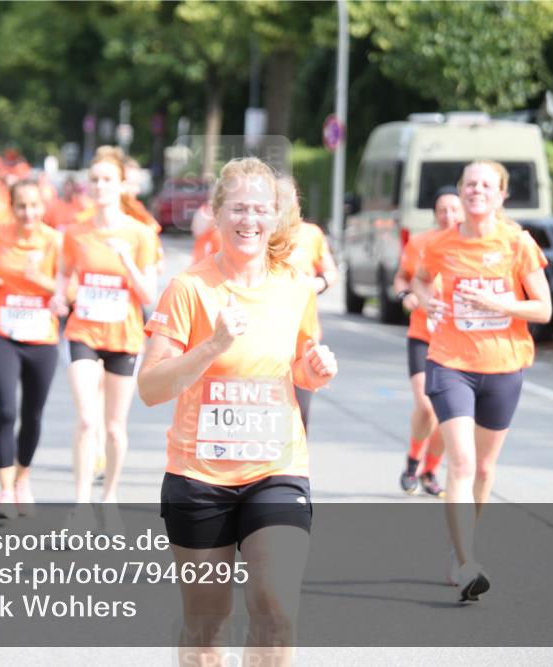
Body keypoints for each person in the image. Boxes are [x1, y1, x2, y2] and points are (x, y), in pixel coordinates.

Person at [138, 158, 337, 665]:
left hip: (277, 470)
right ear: (216, 212)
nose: (250, 220)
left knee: (275, 610)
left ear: (276, 217)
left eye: (261, 210)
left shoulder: (295, 287)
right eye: (240, 208)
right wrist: (212, 345)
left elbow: (302, 369)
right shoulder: (190, 288)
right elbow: (150, 388)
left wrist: (317, 368)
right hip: (199, 477)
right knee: (207, 629)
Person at [411, 161, 550, 601]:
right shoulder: (438, 243)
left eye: (486, 184)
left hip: (504, 365)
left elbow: (543, 309)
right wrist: (427, 302)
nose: (476, 190)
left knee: (486, 469)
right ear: (460, 191)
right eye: (469, 183)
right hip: (450, 362)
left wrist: (499, 301)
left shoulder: (517, 244)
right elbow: (417, 283)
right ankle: (469, 563)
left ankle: (460, 544)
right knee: (463, 463)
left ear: (501, 195)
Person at [49, 147, 159, 510]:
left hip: (124, 337)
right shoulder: (76, 233)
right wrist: (59, 296)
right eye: (94, 180)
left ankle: (109, 495)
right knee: (86, 420)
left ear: (122, 185)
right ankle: (80, 504)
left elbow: (148, 295)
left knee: (113, 427)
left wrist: (125, 258)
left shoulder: (141, 234)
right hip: (83, 332)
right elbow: (65, 274)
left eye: (107, 180)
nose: (99, 186)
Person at [0, 179, 62, 519]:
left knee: (32, 415)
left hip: (41, 340)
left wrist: (40, 280)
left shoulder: (56, 241)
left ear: (43, 207)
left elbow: (68, 290)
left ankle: (22, 479)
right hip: (2, 335)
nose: (28, 213)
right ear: (11, 207)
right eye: (21, 206)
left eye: (34, 205)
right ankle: (4, 490)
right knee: (6, 411)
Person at [392, 186, 465, 497]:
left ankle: (431, 469)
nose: (448, 215)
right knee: (426, 406)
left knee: (448, 414)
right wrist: (406, 295)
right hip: (423, 335)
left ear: (463, 212)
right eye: (442, 210)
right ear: (434, 214)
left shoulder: (472, 245)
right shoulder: (422, 243)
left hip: (458, 341)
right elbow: (402, 277)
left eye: (453, 209)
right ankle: (412, 462)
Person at [278, 177, 338, 434]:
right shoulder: (261, 235)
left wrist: (316, 284)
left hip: (304, 337)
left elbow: (330, 272)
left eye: (288, 197)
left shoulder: (311, 234)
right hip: (269, 332)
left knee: (300, 412)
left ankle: (294, 466)